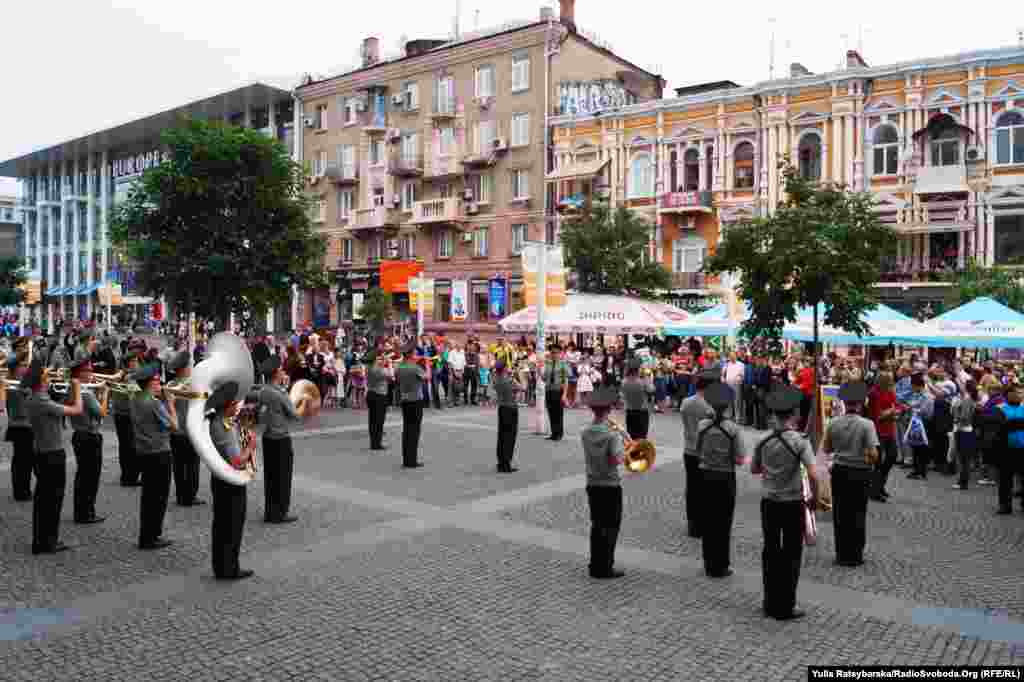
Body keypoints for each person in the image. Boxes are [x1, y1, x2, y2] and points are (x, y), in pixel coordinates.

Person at [751, 386, 817, 621]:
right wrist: (816, 499)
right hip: (792, 503)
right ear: (793, 415)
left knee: (770, 551)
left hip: (769, 501)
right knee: (791, 553)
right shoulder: (800, 442)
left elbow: (754, 469)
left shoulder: (762, 439)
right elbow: (814, 473)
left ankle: (769, 602)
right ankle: (786, 605)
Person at [25, 359, 85, 554]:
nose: (49, 377)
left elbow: (60, 407)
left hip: (42, 453)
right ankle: (47, 541)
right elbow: (77, 409)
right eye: (45, 375)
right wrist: (77, 387)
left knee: (44, 500)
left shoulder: (35, 397)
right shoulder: (41, 400)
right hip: (51, 455)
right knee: (53, 500)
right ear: (40, 381)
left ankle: (42, 539)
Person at [823, 381, 879, 568]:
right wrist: (869, 459)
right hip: (860, 472)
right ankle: (855, 555)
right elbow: (873, 454)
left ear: (844, 403)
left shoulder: (833, 423)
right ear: (861, 402)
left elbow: (827, 448)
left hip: (839, 470)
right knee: (858, 513)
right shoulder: (867, 425)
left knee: (840, 512)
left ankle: (841, 554)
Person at [205, 381, 256, 580]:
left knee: (221, 525)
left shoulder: (217, 421)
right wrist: (250, 447)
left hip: (220, 479)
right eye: (235, 403)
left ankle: (221, 565)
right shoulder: (224, 428)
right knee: (232, 526)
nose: (238, 406)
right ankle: (229, 568)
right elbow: (236, 461)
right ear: (227, 406)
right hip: (230, 481)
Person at [696, 382, 744, 578]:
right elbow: (740, 459)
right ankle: (721, 565)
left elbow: (697, 450)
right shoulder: (733, 429)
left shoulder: (702, 425)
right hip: (725, 477)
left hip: (705, 475)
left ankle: (708, 563)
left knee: (708, 520)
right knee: (723, 522)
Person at [581, 386, 626, 579]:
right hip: (609, 484)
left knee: (597, 524)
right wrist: (624, 444)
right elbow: (616, 460)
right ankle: (605, 566)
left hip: (592, 482)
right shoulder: (612, 434)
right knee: (611, 526)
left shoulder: (586, 432)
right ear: (608, 410)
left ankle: (595, 564)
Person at [132, 363, 178, 550]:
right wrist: (171, 404)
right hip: (159, 453)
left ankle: (147, 534)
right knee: (159, 497)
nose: (161, 384)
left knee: (148, 496)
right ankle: (152, 536)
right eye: (158, 381)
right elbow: (174, 426)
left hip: (144, 451)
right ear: (150, 383)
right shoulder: (154, 403)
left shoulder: (135, 398)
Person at [259, 356, 306, 523]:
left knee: (270, 477)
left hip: (268, 437)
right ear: (276, 373)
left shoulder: (264, 390)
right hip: (281, 438)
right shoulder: (280, 393)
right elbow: (294, 414)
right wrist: (302, 403)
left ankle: (270, 511)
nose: (283, 372)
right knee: (283, 477)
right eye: (281, 370)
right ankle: (280, 513)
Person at [67, 357, 108, 524]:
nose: (92, 373)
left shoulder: (72, 389)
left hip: (79, 434)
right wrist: (105, 394)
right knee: (91, 477)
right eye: (88, 371)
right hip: (90, 436)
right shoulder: (86, 393)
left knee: (82, 476)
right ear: (79, 373)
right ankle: (86, 512)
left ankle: (81, 510)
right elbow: (102, 413)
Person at [680, 371, 716, 538]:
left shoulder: (686, 403)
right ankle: (705, 523)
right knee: (706, 489)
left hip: (689, 449)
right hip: (705, 451)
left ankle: (693, 526)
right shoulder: (710, 407)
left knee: (692, 488)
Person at [166, 351, 203, 507]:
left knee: (179, 465)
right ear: (186, 368)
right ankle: (190, 495)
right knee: (193, 464)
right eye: (191, 365)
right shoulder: (193, 385)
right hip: (191, 431)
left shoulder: (169, 385)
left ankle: (181, 494)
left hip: (175, 431)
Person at [6, 337, 35, 502]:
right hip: (19, 421)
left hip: (27, 421)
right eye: (23, 366)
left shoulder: (22, 370)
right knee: (22, 460)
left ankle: (23, 489)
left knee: (24, 459)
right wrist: (25, 350)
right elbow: (11, 360)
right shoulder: (12, 366)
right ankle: (21, 491)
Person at [867, 372, 900, 502]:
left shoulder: (890, 392)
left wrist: (894, 412)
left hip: (889, 430)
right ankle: (875, 490)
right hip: (877, 431)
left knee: (892, 456)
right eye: (890, 381)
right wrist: (891, 412)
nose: (892, 384)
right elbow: (877, 416)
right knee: (878, 461)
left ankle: (880, 485)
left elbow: (895, 407)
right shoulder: (874, 393)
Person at [114, 346, 144, 486]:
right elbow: (135, 396)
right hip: (128, 415)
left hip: (120, 414)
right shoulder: (129, 377)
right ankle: (130, 477)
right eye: (136, 361)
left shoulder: (120, 374)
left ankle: (127, 475)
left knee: (125, 446)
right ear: (131, 363)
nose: (138, 363)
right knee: (131, 447)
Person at [397, 344, 427, 468]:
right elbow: (427, 377)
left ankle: (406, 459)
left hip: (405, 400)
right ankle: (412, 460)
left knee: (407, 430)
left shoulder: (400, 367)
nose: (416, 356)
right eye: (414, 354)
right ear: (409, 355)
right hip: (415, 400)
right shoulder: (415, 368)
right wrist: (428, 365)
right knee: (414, 431)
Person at [997, 384, 1024, 515]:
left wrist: (1013, 423)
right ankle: (1005, 505)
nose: (1020, 395)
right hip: (1006, 450)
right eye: (1017, 393)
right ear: (1009, 394)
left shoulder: (1023, 408)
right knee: (1005, 480)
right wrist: (1016, 423)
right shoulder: (1000, 409)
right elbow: (1001, 427)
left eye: (1021, 393)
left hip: (1022, 449)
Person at [493, 360, 520, 473]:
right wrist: (514, 376)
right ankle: (506, 464)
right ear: (504, 368)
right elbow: (522, 387)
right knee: (509, 437)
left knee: (502, 436)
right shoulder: (508, 380)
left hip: (502, 408)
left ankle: (501, 462)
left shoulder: (496, 379)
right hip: (511, 408)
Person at [952, 380, 979, 491]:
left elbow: (965, 417)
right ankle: (962, 481)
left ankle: (963, 482)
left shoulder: (967, 400)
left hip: (964, 430)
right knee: (965, 459)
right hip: (967, 430)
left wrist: (956, 414)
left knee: (963, 459)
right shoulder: (971, 399)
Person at [543, 346, 569, 441]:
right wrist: (539, 372)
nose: (554, 355)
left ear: (560, 354)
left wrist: (564, 394)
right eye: (552, 353)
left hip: (558, 391)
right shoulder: (548, 364)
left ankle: (559, 434)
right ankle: (554, 433)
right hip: (549, 390)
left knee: (558, 413)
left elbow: (566, 380)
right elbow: (544, 378)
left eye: (556, 353)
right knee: (551, 412)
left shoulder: (563, 364)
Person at [365, 352, 390, 451]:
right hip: (379, 396)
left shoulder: (369, 368)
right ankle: (377, 444)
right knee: (379, 421)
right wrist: (389, 363)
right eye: (378, 359)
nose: (380, 360)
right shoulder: (378, 370)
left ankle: (373, 442)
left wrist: (383, 361)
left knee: (372, 420)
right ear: (375, 360)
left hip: (371, 394)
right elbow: (390, 374)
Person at [621, 359, 650, 441]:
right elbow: (651, 389)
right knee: (641, 437)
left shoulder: (624, 381)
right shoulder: (642, 381)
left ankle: (632, 453)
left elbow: (623, 395)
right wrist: (647, 378)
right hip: (642, 411)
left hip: (629, 411)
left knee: (631, 436)